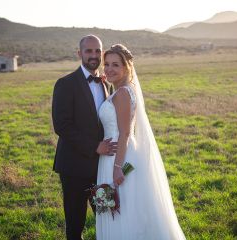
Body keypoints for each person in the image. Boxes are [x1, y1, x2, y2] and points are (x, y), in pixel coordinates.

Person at [96, 44, 186, 240]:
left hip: (118, 155)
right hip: (119, 152)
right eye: (107, 64)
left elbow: (125, 132)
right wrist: (108, 82)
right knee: (128, 208)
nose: (109, 69)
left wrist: (117, 167)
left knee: (123, 209)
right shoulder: (124, 89)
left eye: (115, 65)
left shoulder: (121, 94)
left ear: (127, 67)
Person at [52, 35, 116, 240]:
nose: (94, 55)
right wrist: (94, 146)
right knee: (75, 224)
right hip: (74, 168)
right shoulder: (65, 84)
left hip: (101, 168)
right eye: (89, 51)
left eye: (98, 51)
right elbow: (62, 125)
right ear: (79, 53)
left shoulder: (107, 84)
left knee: (106, 217)